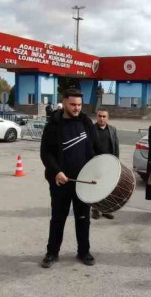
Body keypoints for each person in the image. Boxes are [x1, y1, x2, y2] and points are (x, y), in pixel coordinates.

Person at [40, 89, 102, 269]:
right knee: (58, 218)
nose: (77, 108)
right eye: (73, 104)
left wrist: (102, 169)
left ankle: (84, 251)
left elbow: (97, 148)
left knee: (83, 218)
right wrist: (56, 171)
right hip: (60, 182)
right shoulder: (53, 124)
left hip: (84, 182)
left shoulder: (86, 123)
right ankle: (52, 253)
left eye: (79, 105)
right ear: (64, 103)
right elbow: (46, 153)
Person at [91, 108, 119, 220]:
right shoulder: (90, 129)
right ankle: (95, 209)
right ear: (96, 117)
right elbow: (88, 147)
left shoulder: (113, 129)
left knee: (107, 188)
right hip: (95, 164)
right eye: (99, 116)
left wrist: (116, 163)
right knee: (96, 188)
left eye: (104, 116)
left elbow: (116, 147)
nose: (102, 118)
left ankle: (106, 209)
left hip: (109, 164)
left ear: (107, 117)